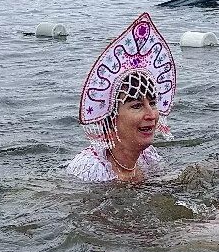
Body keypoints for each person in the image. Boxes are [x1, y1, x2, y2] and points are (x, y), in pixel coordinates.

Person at [67, 12, 176, 183]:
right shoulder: (91, 170)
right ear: (112, 119)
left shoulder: (147, 157)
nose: (151, 115)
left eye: (153, 103)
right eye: (136, 105)